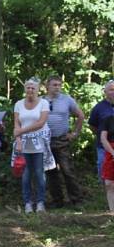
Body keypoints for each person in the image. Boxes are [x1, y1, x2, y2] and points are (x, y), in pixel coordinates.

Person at [13, 78, 54, 214]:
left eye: (33, 88)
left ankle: (41, 202)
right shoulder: (18, 104)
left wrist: (21, 131)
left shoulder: (44, 103)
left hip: (40, 142)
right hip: (23, 143)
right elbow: (16, 124)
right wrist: (18, 140)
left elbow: (41, 123)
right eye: (28, 87)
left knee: (39, 173)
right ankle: (28, 203)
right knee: (26, 174)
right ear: (25, 89)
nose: (30, 90)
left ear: (38, 90)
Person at [44, 76, 85, 208]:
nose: (57, 87)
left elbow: (80, 115)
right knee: (51, 172)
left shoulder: (67, 99)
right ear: (47, 86)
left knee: (68, 171)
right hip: (46, 141)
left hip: (62, 140)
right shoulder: (41, 101)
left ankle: (77, 200)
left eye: (59, 85)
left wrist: (74, 133)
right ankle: (57, 201)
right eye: (54, 85)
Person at [88, 80, 114, 180]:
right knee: (104, 171)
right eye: (111, 90)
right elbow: (92, 126)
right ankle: (105, 193)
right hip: (103, 146)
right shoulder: (98, 108)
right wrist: (103, 136)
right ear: (105, 92)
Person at [97, 116, 114, 213]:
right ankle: (112, 211)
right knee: (109, 183)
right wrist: (112, 152)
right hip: (110, 151)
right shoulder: (108, 119)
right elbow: (103, 138)